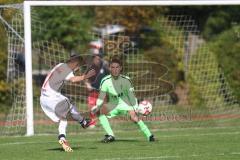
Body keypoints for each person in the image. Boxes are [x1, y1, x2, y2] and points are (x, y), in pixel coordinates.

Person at [91, 56, 155, 143]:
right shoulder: (105, 81)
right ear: (109, 68)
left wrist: (135, 107)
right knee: (100, 112)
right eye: (113, 67)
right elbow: (101, 96)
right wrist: (97, 106)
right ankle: (110, 135)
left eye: (117, 67)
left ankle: (150, 136)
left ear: (121, 68)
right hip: (113, 105)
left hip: (126, 104)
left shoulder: (126, 80)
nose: (115, 70)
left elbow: (132, 96)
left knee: (134, 118)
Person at [40, 54, 95, 152]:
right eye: (79, 65)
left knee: (65, 115)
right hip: (52, 97)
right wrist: (85, 76)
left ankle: (63, 137)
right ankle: (83, 122)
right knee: (69, 108)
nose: (78, 68)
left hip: (43, 98)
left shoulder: (60, 65)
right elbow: (73, 79)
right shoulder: (68, 70)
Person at [85, 53, 109, 128]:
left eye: (98, 59)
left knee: (102, 108)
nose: (96, 60)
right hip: (93, 91)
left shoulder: (104, 68)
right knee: (91, 106)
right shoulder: (90, 68)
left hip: (102, 92)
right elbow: (85, 79)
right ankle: (92, 123)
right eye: (95, 59)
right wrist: (88, 85)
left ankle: (104, 122)